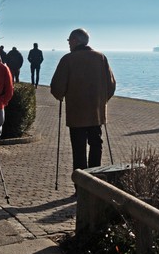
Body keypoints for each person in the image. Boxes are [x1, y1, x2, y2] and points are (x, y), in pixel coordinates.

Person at [50, 28, 116, 174]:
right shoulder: (101, 58)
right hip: (96, 113)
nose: (68, 43)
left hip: (76, 113)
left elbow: (57, 87)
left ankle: (80, 184)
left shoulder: (68, 59)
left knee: (78, 149)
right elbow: (111, 85)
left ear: (75, 41)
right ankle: (95, 179)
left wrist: (60, 96)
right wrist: (101, 101)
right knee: (96, 145)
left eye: (69, 40)